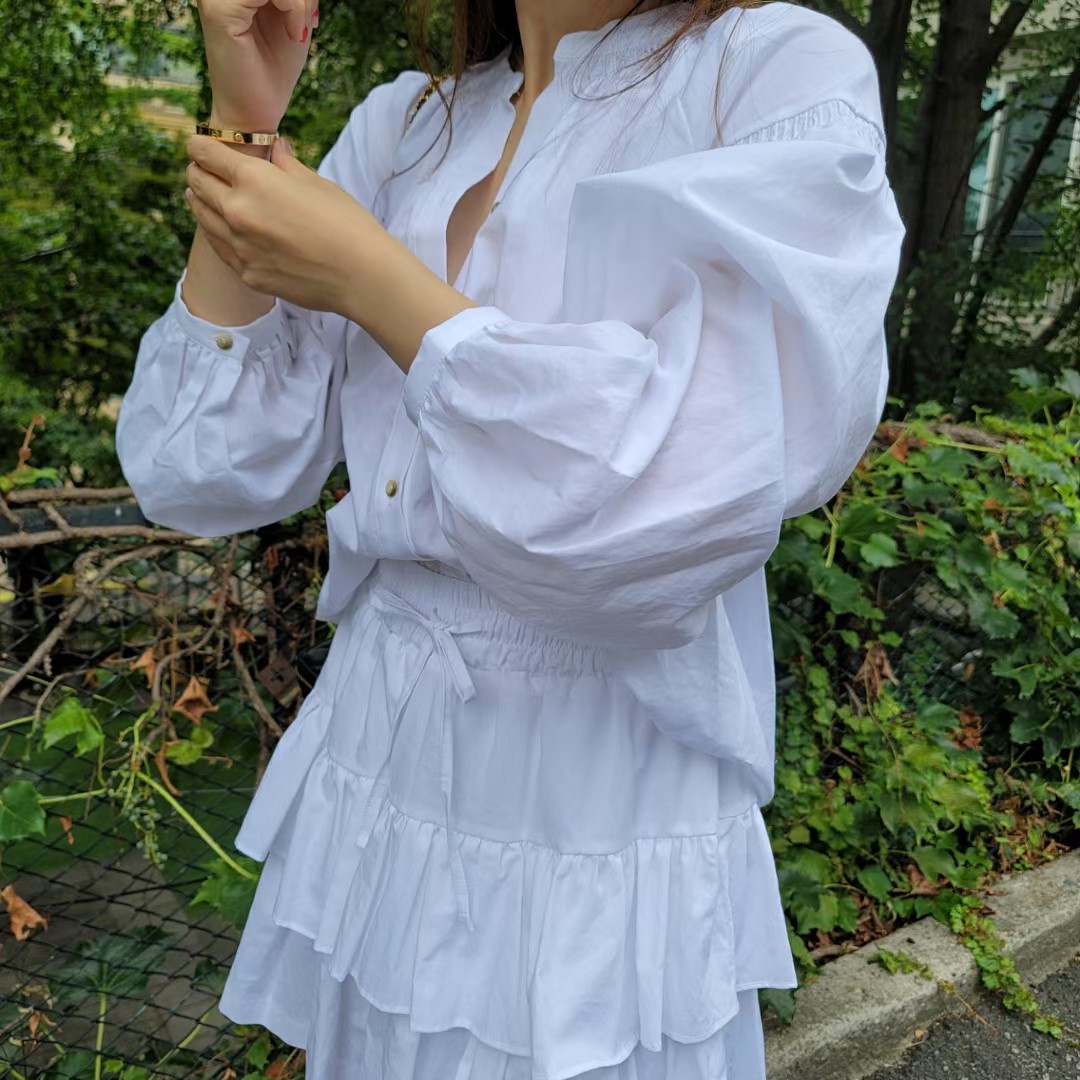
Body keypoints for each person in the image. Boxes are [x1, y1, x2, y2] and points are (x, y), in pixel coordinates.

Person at [114, 0, 906, 1075]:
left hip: (592, 771)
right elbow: (202, 464)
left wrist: (371, 279)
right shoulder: (411, 124)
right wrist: (245, 124)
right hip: (380, 733)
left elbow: (688, 488)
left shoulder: (769, 73)